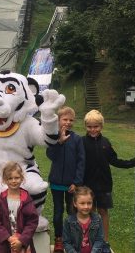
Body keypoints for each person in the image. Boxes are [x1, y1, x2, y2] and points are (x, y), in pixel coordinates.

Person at [82, 109, 135, 248]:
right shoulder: (82, 142)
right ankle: (90, 239)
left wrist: (131, 162)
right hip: (87, 185)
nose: (93, 129)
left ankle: (105, 240)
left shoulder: (106, 142)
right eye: (89, 126)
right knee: (90, 212)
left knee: (103, 212)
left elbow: (114, 160)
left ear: (101, 126)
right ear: (85, 127)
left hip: (104, 185)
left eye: (96, 126)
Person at [46, 106, 85, 253]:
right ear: (58, 120)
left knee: (72, 213)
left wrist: (76, 182)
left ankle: (72, 239)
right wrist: (59, 142)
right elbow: (50, 155)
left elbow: (82, 162)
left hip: (71, 185)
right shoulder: (53, 137)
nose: (68, 122)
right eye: (65, 119)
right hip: (56, 183)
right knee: (58, 212)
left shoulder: (77, 139)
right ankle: (59, 239)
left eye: (71, 120)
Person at [0, 161, 39, 253]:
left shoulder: (26, 199)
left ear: (22, 178)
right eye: (10, 178)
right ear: (5, 180)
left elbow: (32, 222)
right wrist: (8, 238)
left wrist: (21, 240)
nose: (13, 181)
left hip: (23, 243)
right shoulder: (0, 200)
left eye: (16, 178)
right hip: (5, 243)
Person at [62, 186, 104, 253]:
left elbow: (99, 240)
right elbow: (66, 242)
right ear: (75, 203)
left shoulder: (97, 219)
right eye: (82, 203)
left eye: (89, 203)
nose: (86, 206)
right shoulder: (68, 221)